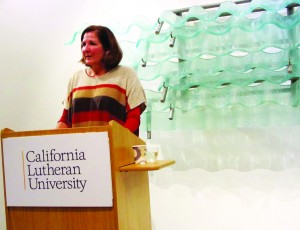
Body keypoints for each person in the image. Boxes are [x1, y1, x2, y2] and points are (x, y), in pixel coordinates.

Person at [56, 25, 146, 136]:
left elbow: (134, 118)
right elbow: (65, 120)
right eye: (83, 44)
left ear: (107, 49)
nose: (85, 49)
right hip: (80, 151)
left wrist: (115, 140)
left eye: (92, 43)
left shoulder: (126, 74)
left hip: (115, 149)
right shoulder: (76, 78)